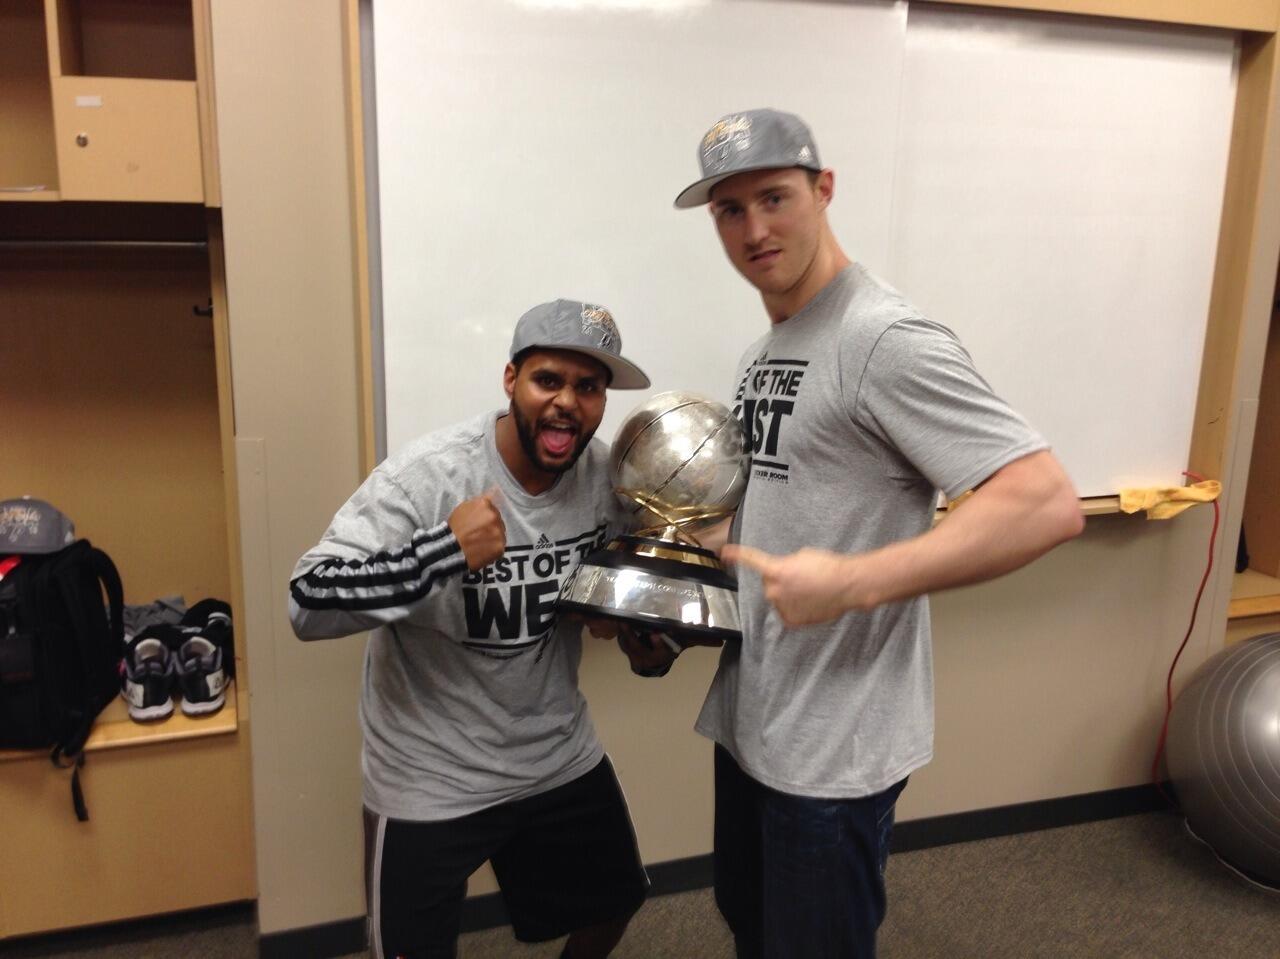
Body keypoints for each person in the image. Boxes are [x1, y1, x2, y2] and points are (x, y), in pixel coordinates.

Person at [670, 109, 1086, 958]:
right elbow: (783, 506)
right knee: (753, 927)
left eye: (775, 198)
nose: (754, 230)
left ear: (824, 190)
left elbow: (1044, 501)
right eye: (730, 210)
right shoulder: (765, 351)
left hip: (834, 748)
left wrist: (855, 581)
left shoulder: (882, 338)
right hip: (756, 719)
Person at [288, 299, 655, 959]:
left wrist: (635, 630)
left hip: (553, 752)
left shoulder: (607, 480)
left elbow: (630, 593)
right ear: (511, 379)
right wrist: (442, 552)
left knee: (615, 901)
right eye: (549, 380)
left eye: (589, 387)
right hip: (428, 771)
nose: (567, 403)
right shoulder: (428, 476)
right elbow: (308, 600)